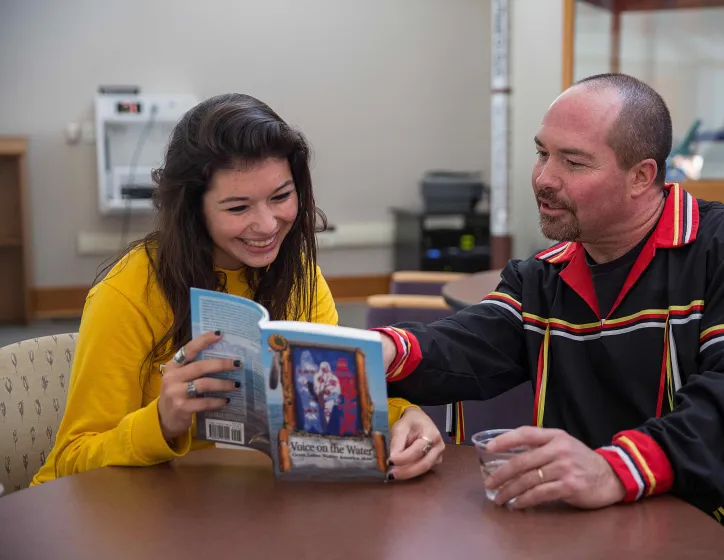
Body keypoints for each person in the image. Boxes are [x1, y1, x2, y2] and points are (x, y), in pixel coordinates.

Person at [376, 74, 724, 559]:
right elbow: (468, 345)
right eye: (541, 154)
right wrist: (380, 353)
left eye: (573, 162)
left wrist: (614, 469)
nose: (543, 179)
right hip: (599, 532)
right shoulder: (545, 275)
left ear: (642, 176)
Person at [32, 93, 444, 486]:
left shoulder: (298, 273)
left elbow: (325, 406)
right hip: (143, 519)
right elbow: (71, 462)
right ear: (192, 210)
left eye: (281, 196)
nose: (267, 225)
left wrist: (400, 415)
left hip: (246, 506)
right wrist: (158, 422)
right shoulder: (127, 293)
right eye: (238, 208)